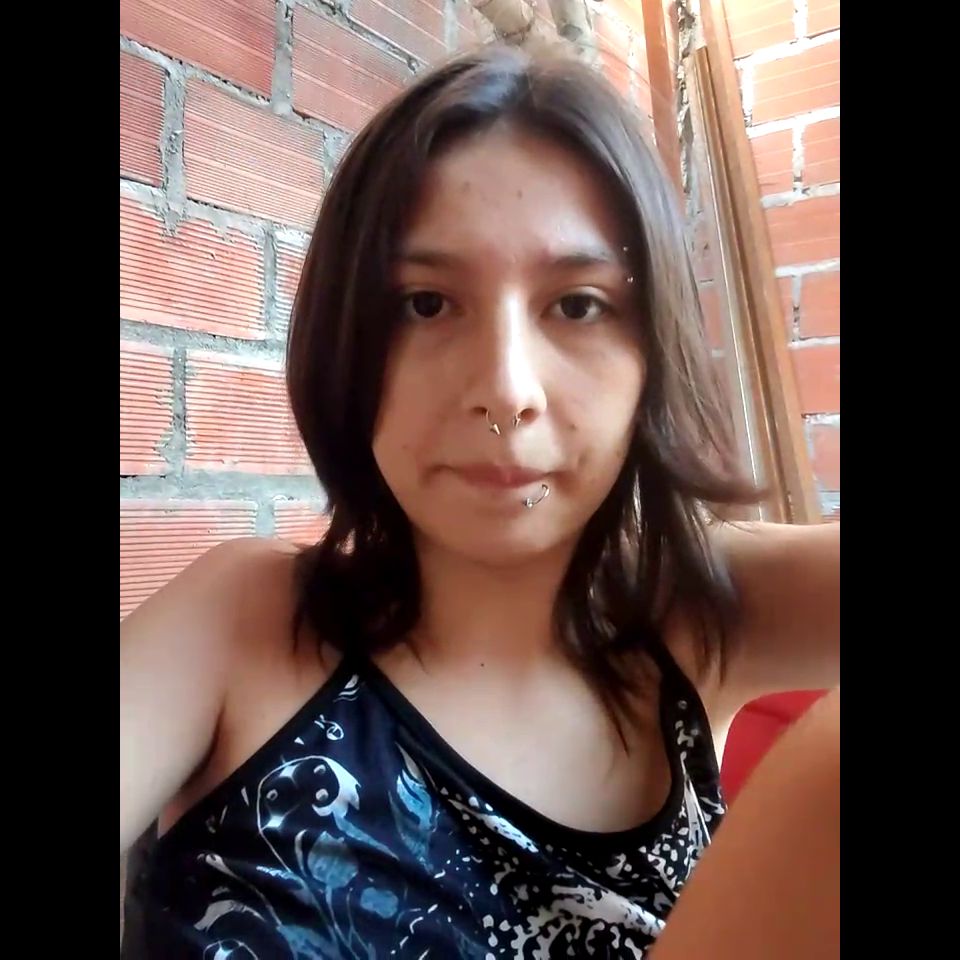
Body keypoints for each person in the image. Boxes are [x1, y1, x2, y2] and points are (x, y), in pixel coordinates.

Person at [119, 43, 840, 959]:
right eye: (427, 305)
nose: (506, 390)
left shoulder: (698, 611)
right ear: (350, 339)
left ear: (651, 351)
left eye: (578, 306)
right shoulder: (241, 625)